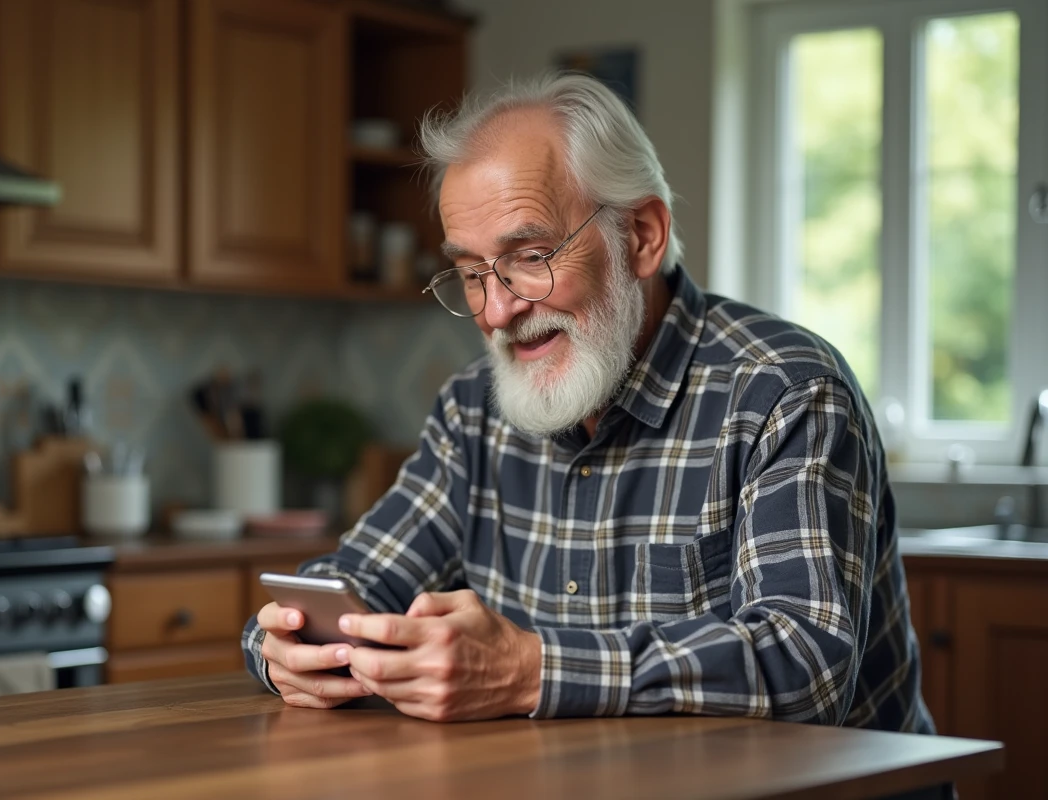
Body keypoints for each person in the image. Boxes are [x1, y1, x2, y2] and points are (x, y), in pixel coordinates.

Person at [242, 71, 934, 732]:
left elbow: (807, 666)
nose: (496, 311)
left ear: (641, 237)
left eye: (531, 256)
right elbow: (354, 581)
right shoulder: (472, 412)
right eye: (471, 273)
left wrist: (532, 670)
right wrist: (285, 648)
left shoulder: (784, 390)